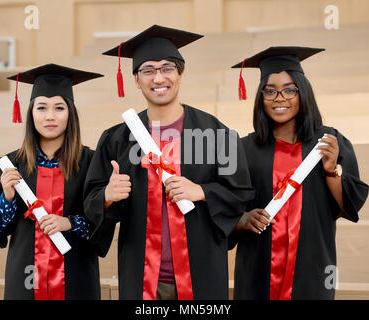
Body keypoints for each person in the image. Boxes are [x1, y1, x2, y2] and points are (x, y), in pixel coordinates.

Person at [84, 25, 254, 300]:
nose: (158, 77)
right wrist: (106, 196)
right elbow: (90, 201)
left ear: (181, 74)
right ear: (136, 80)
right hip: (141, 278)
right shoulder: (116, 140)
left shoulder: (216, 134)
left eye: (167, 68)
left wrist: (203, 191)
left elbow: (242, 194)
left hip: (202, 277)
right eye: (148, 70)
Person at [229, 46, 369, 300]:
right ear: (261, 97)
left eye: (289, 89)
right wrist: (243, 218)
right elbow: (227, 208)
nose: (279, 98)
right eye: (270, 91)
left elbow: (346, 207)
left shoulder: (329, 142)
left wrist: (331, 171)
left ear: (302, 93)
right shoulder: (244, 149)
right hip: (257, 268)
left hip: (311, 266)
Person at [0, 64, 111, 300]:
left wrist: (69, 223)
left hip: (76, 275)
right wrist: (7, 197)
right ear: (30, 113)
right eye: (41, 108)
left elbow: (103, 220)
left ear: (70, 113)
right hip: (25, 278)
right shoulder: (9, 165)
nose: (50, 116)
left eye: (59, 107)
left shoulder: (92, 162)